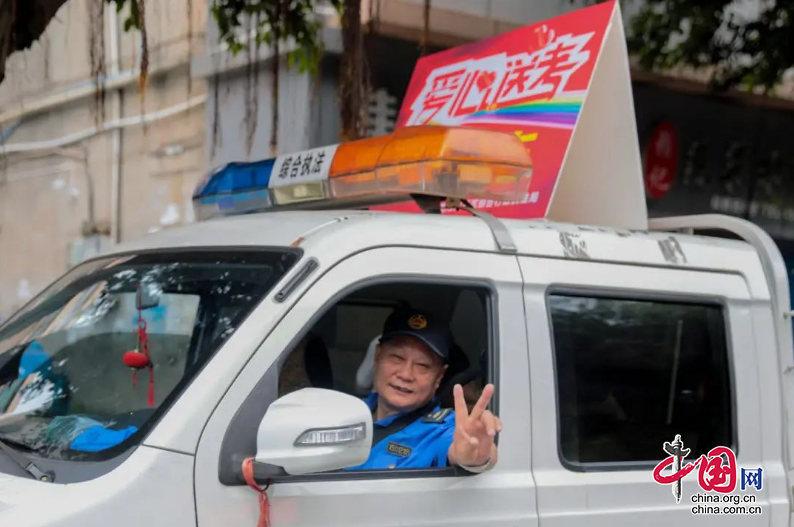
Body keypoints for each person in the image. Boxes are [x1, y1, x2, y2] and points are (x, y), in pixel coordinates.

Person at [349, 308, 501, 473]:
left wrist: (476, 454)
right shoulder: (348, 413)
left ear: (439, 376)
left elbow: (465, 449)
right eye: (397, 358)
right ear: (377, 357)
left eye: (423, 366)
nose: (406, 374)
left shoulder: (439, 430)